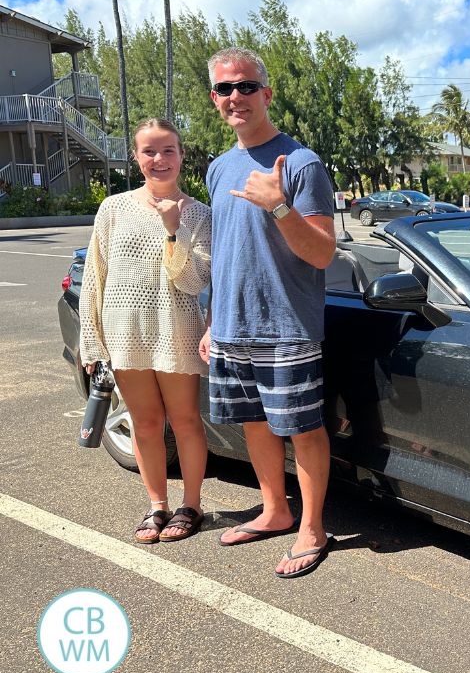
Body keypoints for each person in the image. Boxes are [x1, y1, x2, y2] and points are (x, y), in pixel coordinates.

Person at [200, 47, 337, 578]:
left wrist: (279, 205)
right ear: (215, 99)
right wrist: (212, 320)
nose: (236, 97)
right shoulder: (218, 167)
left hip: (286, 329)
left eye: (246, 86)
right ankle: (276, 511)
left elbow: (323, 252)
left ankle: (312, 526)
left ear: (266, 94)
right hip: (232, 326)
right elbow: (225, 251)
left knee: (302, 428)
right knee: (255, 425)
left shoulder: (301, 164)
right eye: (224, 89)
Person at [79, 118, 211, 544]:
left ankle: (191, 505)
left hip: (176, 331)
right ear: (136, 157)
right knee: (145, 423)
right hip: (124, 334)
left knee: (186, 421)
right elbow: (95, 278)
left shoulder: (200, 216)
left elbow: (192, 282)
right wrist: (92, 339)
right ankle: (157, 505)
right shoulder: (113, 208)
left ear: (181, 155)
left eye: (168, 150)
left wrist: (173, 229)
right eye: (149, 151)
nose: (159, 159)